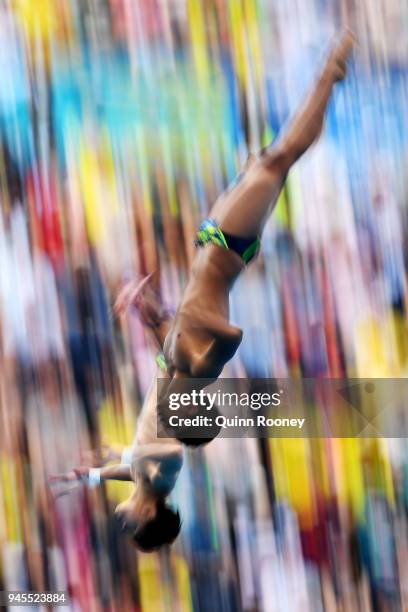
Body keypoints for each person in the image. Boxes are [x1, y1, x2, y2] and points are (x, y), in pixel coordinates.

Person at [161, 31, 355, 383]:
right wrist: (200, 321)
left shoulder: (171, 357)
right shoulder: (202, 366)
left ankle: (329, 75)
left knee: (273, 159)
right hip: (227, 246)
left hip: (216, 241)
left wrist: (148, 309)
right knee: (278, 160)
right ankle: (329, 75)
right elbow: (232, 335)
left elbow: (166, 328)